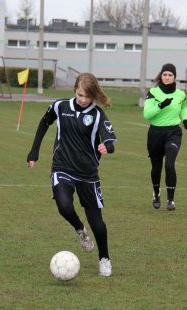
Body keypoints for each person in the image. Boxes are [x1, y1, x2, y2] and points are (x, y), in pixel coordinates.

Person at [27, 73, 117, 277]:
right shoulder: (60, 106)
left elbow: (110, 139)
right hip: (62, 167)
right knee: (64, 205)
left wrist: (107, 147)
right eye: (80, 95)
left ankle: (104, 258)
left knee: (98, 224)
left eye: (87, 96)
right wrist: (34, 151)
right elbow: (44, 123)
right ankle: (79, 229)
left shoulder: (98, 115)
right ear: (74, 90)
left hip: (88, 173)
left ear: (93, 96)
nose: (83, 99)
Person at [143, 63, 187, 211]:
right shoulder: (153, 92)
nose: (167, 77)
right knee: (156, 168)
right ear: (161, 76)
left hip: (173, 132)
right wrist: (160, 106)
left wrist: (185, 119)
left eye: (170, 75)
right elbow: (147, 115)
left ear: (174, 77)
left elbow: (183, 107)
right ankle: (156, 194)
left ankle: (171, 200)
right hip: (155, 133)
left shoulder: (181, 95)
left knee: (169, 164)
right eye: (165, 74)